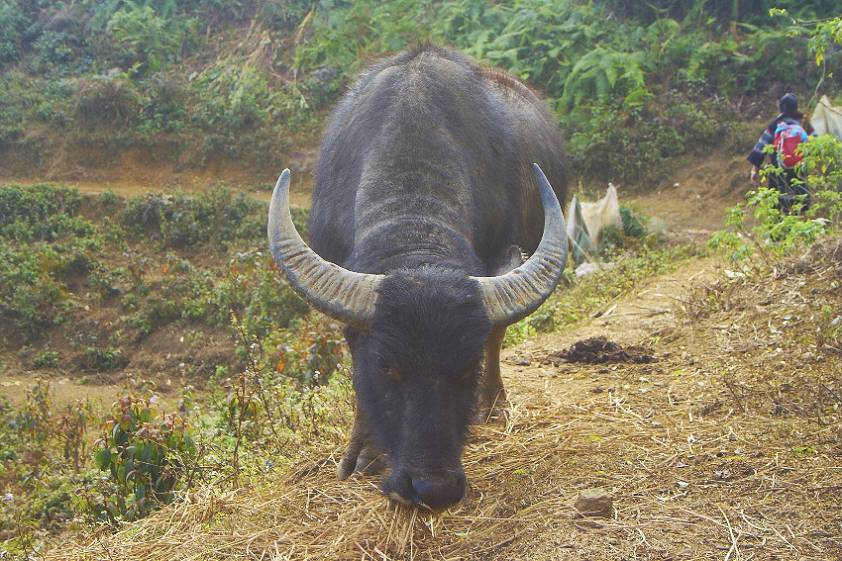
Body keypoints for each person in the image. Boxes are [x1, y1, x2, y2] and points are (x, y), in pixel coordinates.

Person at [747, 93, 812, 213]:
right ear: (796, 107)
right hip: (798, 169)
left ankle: (776, 220)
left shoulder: (775, 124)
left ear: (781, 107)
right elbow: (815, 143)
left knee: (775, 200)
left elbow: (761, 146)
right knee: (801, 199)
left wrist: (754, 170)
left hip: (778, 169)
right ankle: (797, 219)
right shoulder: (803, 123)